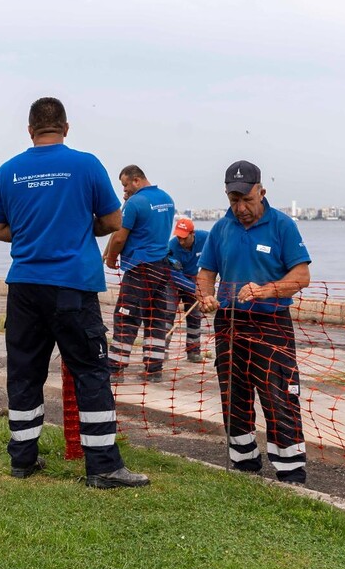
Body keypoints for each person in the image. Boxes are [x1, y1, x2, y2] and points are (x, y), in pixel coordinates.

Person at [0, 97, 150, 489]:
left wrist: (28, 232)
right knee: (91, 372)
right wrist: (77, 226)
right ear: (66, 127)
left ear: (29, 130)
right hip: (72, 286)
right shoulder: (86, 164)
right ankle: (104, 467)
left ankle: (23, 460)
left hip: (23, 286)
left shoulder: (8, 171)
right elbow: (113, 220)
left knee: (24, 372)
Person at [197, 160, 312, 484]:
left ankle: (290, 471)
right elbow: (207, 273)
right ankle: (244, 463)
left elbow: (301, 275)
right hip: (230, 323)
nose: (241, 207)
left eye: (247, 199)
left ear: (261, 191)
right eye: (234, 200)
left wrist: (267, 290)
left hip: (271, 323)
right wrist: (206, 296)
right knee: (234, 394)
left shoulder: (282, 226)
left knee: (279, 395)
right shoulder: (221, 229)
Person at [103, 165, 175, 382]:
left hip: (140, 268)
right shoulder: (166, 198)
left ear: (136, 180)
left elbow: (118, 237)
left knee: (126, 316)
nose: (124, 189)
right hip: (162, 268)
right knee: (156, 318)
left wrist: (111, 258)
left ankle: (115, 369)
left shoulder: (135, 203)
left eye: (125, 184)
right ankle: (154, 370)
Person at [167, 217, 209, 363]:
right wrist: (197, 290)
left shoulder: (205, 238)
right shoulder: (172, 247)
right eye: (179, 237)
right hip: (173, 280)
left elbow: (219, 249)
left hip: (193, 278)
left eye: (184, 238)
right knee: (167, 314)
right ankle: (161, 352)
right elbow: (174, 275)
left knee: (195, 316)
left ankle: (193, 352)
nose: (181, 241)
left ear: (193, 234)